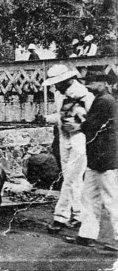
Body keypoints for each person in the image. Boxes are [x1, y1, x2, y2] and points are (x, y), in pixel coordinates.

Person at [64, 71, 118, 247]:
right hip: (97, 155)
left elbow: (92, 126)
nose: (87, 85)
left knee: (111, 198)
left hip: (105, 156)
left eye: (92, 82)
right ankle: (87, 234)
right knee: (89, 196)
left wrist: (77, 125)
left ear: (102, 82)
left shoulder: (105, 101)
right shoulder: (101, 99)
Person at [42, 65, 94, 233]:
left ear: (68, 80)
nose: (55, 86)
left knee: (71, 178)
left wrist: (80, 125)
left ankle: (60, 217)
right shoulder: (59, 94)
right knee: (72, 179)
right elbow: (61, 115)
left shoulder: (85, 95)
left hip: (79, 138)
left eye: (58, 83)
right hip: (63, 138)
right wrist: (49, 119)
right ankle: (79, 215)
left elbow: (94, 120)